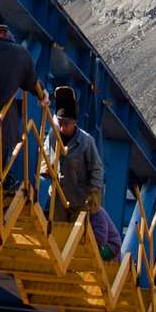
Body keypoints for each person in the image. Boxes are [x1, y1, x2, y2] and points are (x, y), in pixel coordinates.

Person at [48, 87, 116, 254]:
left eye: (67, 124)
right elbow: (45, 155)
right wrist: (46, 169)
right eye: (61, 123)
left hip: (80, 198)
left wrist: (94, 192)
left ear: (75, 123)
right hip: (59, 196)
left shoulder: (86, 142)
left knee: (76, 238)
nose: (63, 128)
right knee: (57, 233)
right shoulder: (53, 135)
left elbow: (97, 169)